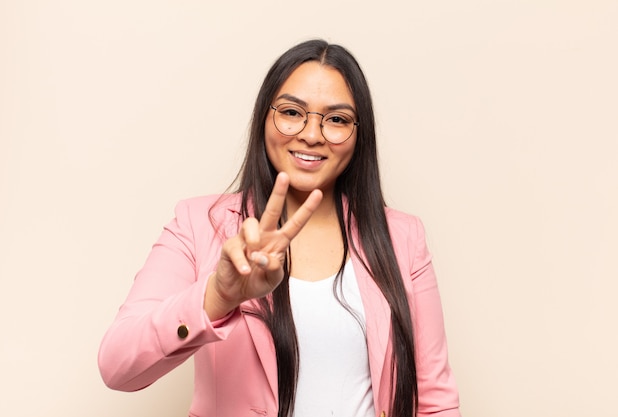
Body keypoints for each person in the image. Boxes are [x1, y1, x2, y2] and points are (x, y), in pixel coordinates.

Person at [98, 39, 461, 417]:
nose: (311, 134)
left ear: (359, 134)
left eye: (336, 119)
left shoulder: (403, 238)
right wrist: (217, 298)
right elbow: (117, 366)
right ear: (264, 118)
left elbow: (435, 402)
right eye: (291, 112)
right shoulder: (198, 224)